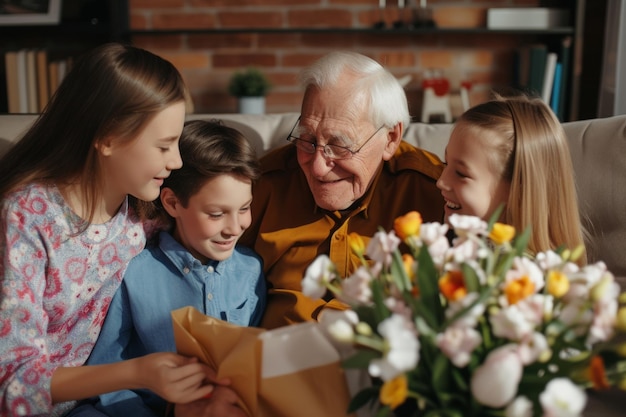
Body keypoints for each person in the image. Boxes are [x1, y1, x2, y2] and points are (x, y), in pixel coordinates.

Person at [0, 43, 216, 417]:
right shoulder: (26, 217)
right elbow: (12, 382)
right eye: (164, 145)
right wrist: (136, 373)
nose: (176, 160)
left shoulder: (146, 214)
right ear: (107, 138)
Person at [240, 50, 445, 329]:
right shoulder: (260, 185)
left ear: (391, 139)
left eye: (339, 145)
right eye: (307, 140)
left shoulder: (435, 191)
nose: (317, 168)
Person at [86, 119, 266, 417]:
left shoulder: (251, 270)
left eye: (244, 208)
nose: (235, 227)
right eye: (217, 213)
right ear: (172, 203)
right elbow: (107, 373)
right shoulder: (135, 273)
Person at [436, 93, 587, 262]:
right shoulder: (466, 249)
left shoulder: (519, 277)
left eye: (461, 173)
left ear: (518, 188)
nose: (441, 181)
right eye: (446, 163)